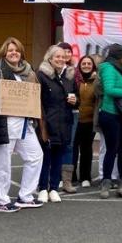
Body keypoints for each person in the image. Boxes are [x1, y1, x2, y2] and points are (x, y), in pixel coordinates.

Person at [0, 37, 44, 212]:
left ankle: (25, 195)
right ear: (4, 53)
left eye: (16, 50)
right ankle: (1, 200)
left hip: (25, 122)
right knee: (2, 162)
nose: (13, 53)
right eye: (10, 50)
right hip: (6, 122)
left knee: (35, 156)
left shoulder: (28, 71)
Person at [36, 46, 77, 203]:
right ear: (50, 59)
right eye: (56, 57)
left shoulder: (69, 77)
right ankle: (42, 188)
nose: (60, 59)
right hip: (47, 123)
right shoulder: (42, 76)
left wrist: (75, 101)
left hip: (64, 122)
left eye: (62, 57)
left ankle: (53, 187)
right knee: (45, 157)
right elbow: (38, 101)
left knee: (58, 157)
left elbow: (76, 98)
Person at [97, 44, 122, 199]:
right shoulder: (107, 67)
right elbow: (110, 89)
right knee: (112, 148)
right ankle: (106, 180)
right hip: (110, 113)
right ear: (118, 56)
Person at [56, 42, 78, 194]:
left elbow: (78, 94)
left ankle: (67, 181)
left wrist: (75, 99)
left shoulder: (73, 73)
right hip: (54, 114)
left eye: (68, 52)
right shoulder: (47, 71)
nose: (65, 55)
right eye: (62, 52)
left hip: (71, 113)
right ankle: (53, 177)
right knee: (54, 144)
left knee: (69, 145)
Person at [73, 55, 97, 188]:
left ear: (93, 66)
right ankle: (71, 176)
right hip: (75, 119)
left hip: (90, 120)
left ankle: (85, 177)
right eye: (84, 63)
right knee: (73, 148)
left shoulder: (96, 80)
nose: (86, 66)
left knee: (86, 149)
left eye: (89, 64)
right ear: (80, 65)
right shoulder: (74, 79)